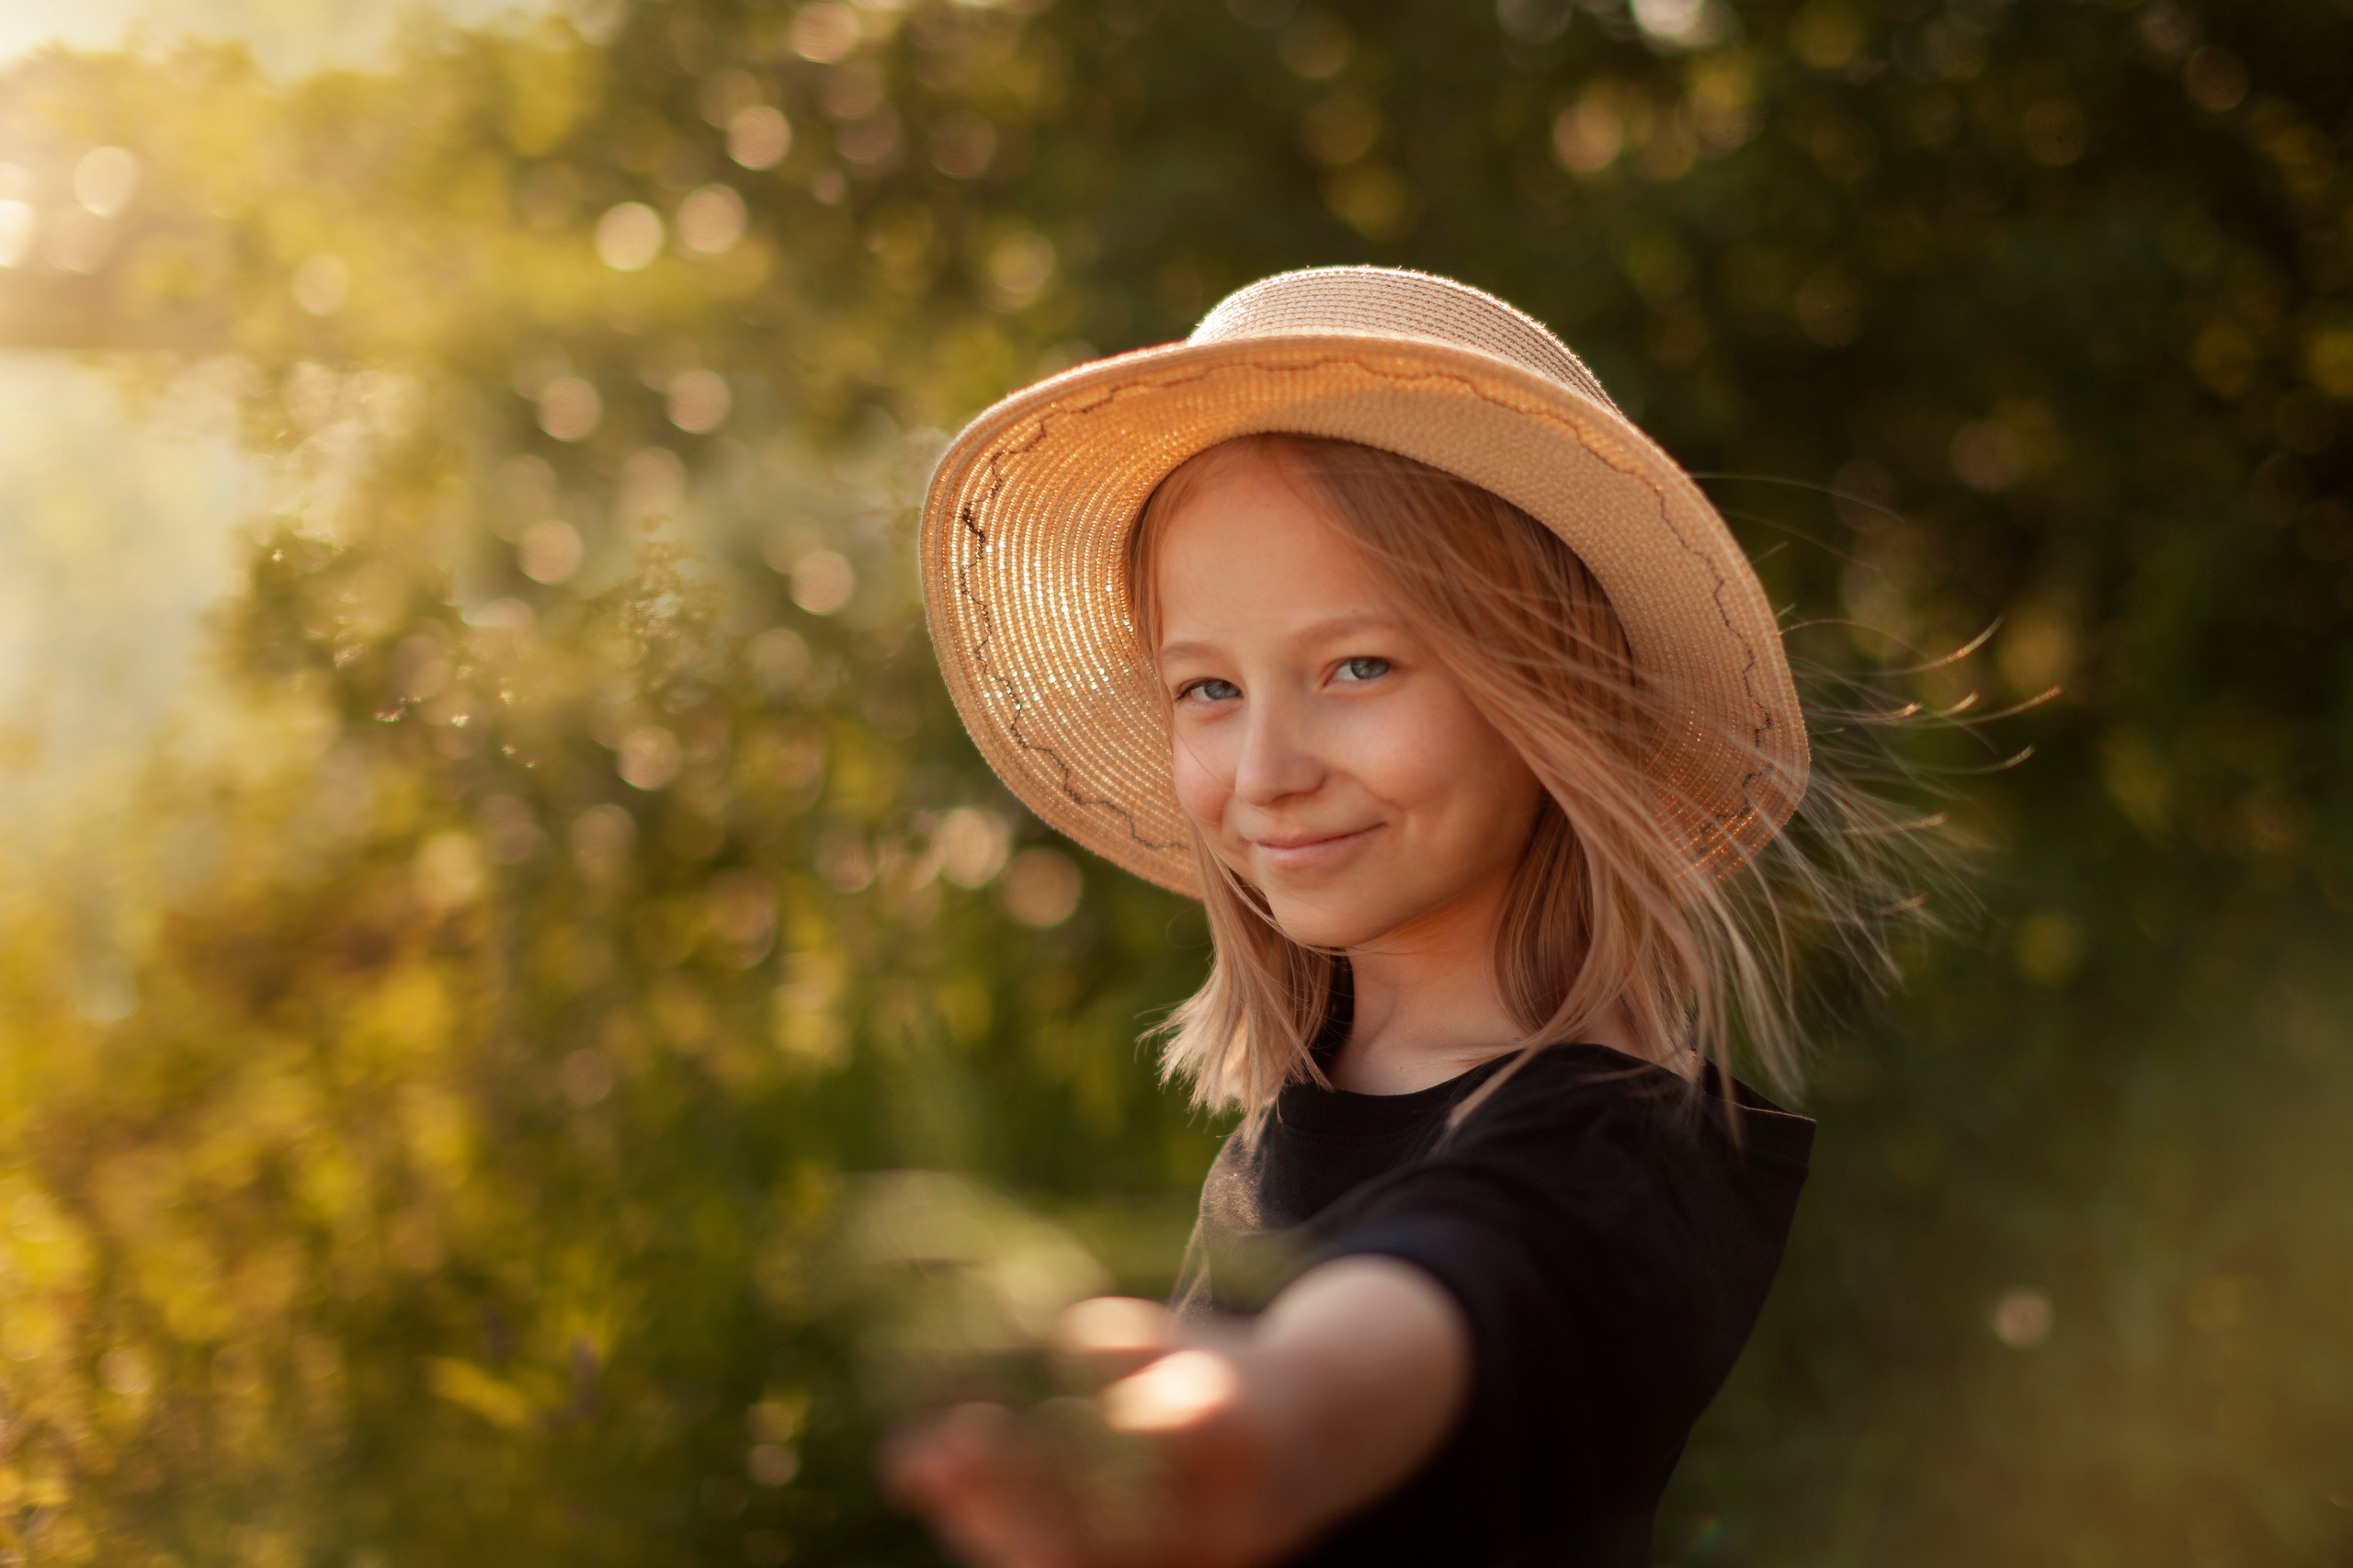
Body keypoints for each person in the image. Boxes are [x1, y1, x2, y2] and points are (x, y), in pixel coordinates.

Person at [889, 267, 1927, 1566]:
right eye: (1207, 688)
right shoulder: (1310, 1108)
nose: (1268, 769)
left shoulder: (1609, 1152)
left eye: (1358, 666)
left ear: (1554, 693)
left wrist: (1260, 1423)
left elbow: (1413, 1317)